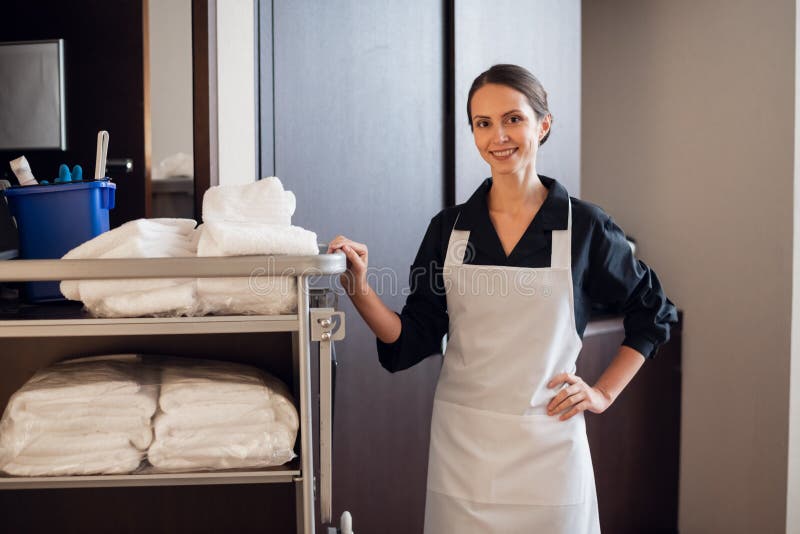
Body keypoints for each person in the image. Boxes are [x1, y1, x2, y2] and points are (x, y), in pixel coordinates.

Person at [327, 64, 676, 534]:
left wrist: (602, 393)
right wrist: (359, 288)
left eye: (513, 118)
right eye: (483, 123)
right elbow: (412, 338)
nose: (499, 136)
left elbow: (653, 311)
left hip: (550, 451)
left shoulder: (584, 227)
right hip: (465, 454)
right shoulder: (449, 229)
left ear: (543, 124)